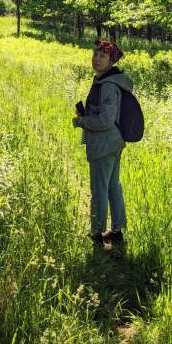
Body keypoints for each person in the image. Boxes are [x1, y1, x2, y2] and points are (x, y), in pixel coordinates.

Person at [72, 40, 133, 247]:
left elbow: (106, 120)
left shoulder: (107, 85)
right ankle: (117, 231)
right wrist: (87, 114)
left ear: (111, 61)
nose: (97, 59)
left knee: (100, 189)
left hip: (104, 145)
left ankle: (97, 233)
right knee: (113, 186)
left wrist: (81, 121)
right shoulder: (106, 80)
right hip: (113, 142)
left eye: (103, 56)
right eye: (95, 54)